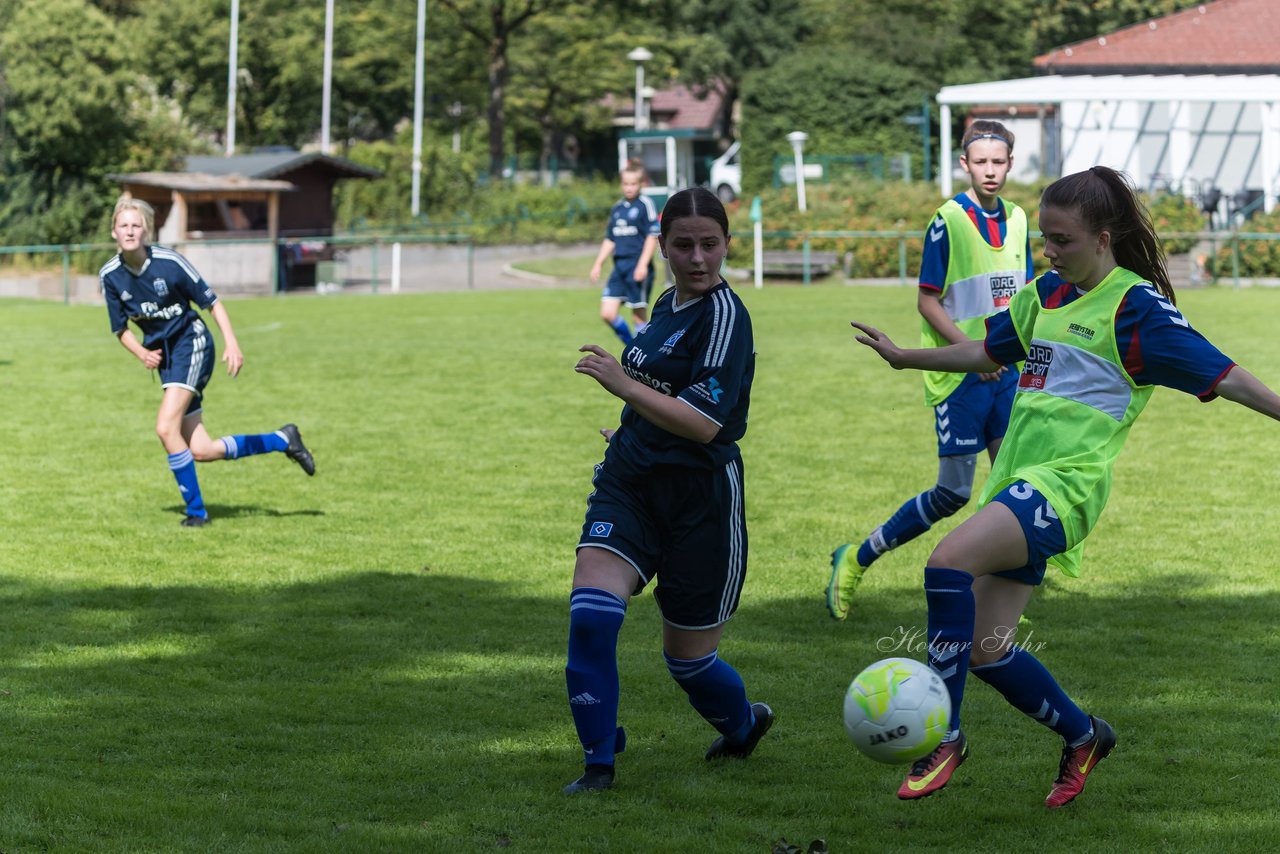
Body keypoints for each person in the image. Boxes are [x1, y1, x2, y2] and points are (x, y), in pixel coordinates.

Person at [849, 165, 1280, 807]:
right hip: (1015, 485)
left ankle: (944, 734)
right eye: (1043, 238)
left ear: (1104, 238)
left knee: (946, 564)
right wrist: (907, 357)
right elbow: (990, 353)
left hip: (1067, 488)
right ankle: (1085, 735)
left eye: (1061, 240)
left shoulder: (1137, 309)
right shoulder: (1044, 293)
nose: (1047, 251)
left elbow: (1227, 374)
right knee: (987, 652)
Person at [564, 187, 771, 794]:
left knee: (688, 662)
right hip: (630, 481)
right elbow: (662, 397)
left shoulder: (728, 318)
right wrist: (631, 425)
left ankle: (742, 725)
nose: (699, 258)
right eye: (684, 245)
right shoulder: (665, 302)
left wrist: (622, 387)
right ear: (663, 247)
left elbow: (704, 425)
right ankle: (598, 763)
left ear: (728, 245)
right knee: (592, 617)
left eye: (711, 245)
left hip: (700, 500)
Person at [827, 119, 1034, 621]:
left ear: (1011, 163)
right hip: (960, 375)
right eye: (980, 162)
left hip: (1005, 373)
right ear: (964, 164)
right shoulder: (948, 220)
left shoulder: (1022, 218)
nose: (990, 170)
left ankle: (995, 594)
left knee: (1011, 485)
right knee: (952, 493)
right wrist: (975, 350)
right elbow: (928, 302)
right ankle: (856, 557)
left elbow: (1026, 297)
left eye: (999, 162)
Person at [99, 196, 315, 527]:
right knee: (202, 449)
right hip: (168, 360)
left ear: (147, 231)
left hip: (192, 342)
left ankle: (197, 513)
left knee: (164, 427)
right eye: (123, 225)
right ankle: (283, 439)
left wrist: (232, 342)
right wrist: (141, 352)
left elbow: (212, 302)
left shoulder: (170, 263)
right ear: (114, 231)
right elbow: (120, 329)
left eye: (136, 225)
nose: (129, 231)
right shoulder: (111, 275)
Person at [589, 161, 661, 348]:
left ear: (641, 184)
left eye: (633, 184)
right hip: (618, 268)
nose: (629, 188)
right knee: (607, 313)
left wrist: (643, 264)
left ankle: (643, 354)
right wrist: (598, 263)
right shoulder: (617, 208)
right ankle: (632, 348)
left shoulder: (645, 205)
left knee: (638, 315)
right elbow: (610, 238)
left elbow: (652, 236)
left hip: (636, 266)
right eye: (626, 184)